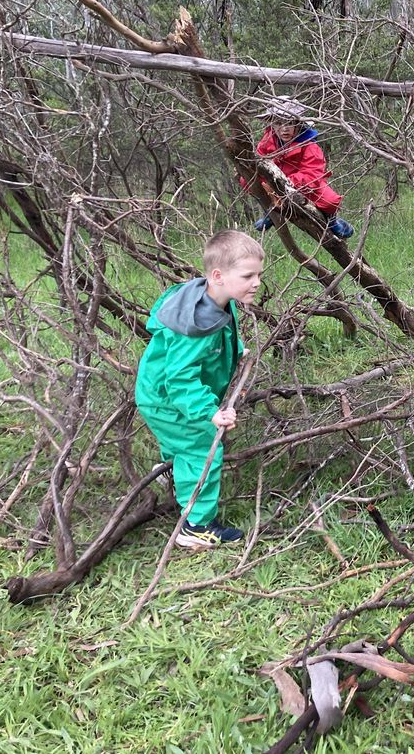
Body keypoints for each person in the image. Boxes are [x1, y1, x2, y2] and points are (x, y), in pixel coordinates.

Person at [135, 230, 264, 549]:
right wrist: (211, 413)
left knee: (184, 442)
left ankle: (173, 472)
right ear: (218, 275)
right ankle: (196, 526)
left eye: (258, 274)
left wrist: (237, 350)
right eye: (248, 275)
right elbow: (179, 380)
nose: (256, 283)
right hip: (169, 400)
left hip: (163, 395)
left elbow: (222, 332)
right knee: (202, 446)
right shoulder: (195, 326)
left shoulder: (214, 297)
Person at [247, 96, 354, 239]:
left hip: (304, 185)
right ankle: (270, 211)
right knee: (246, 178)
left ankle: (332, 221)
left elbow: (312, 175)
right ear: (271, 124)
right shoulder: (268, 140)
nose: (284, 128)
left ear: (298, 123)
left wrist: (286, 183)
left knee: (330, 201)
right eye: (278, 123)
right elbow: (259, 160)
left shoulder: (309, 145)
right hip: (273, 182)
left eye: (290, 123)